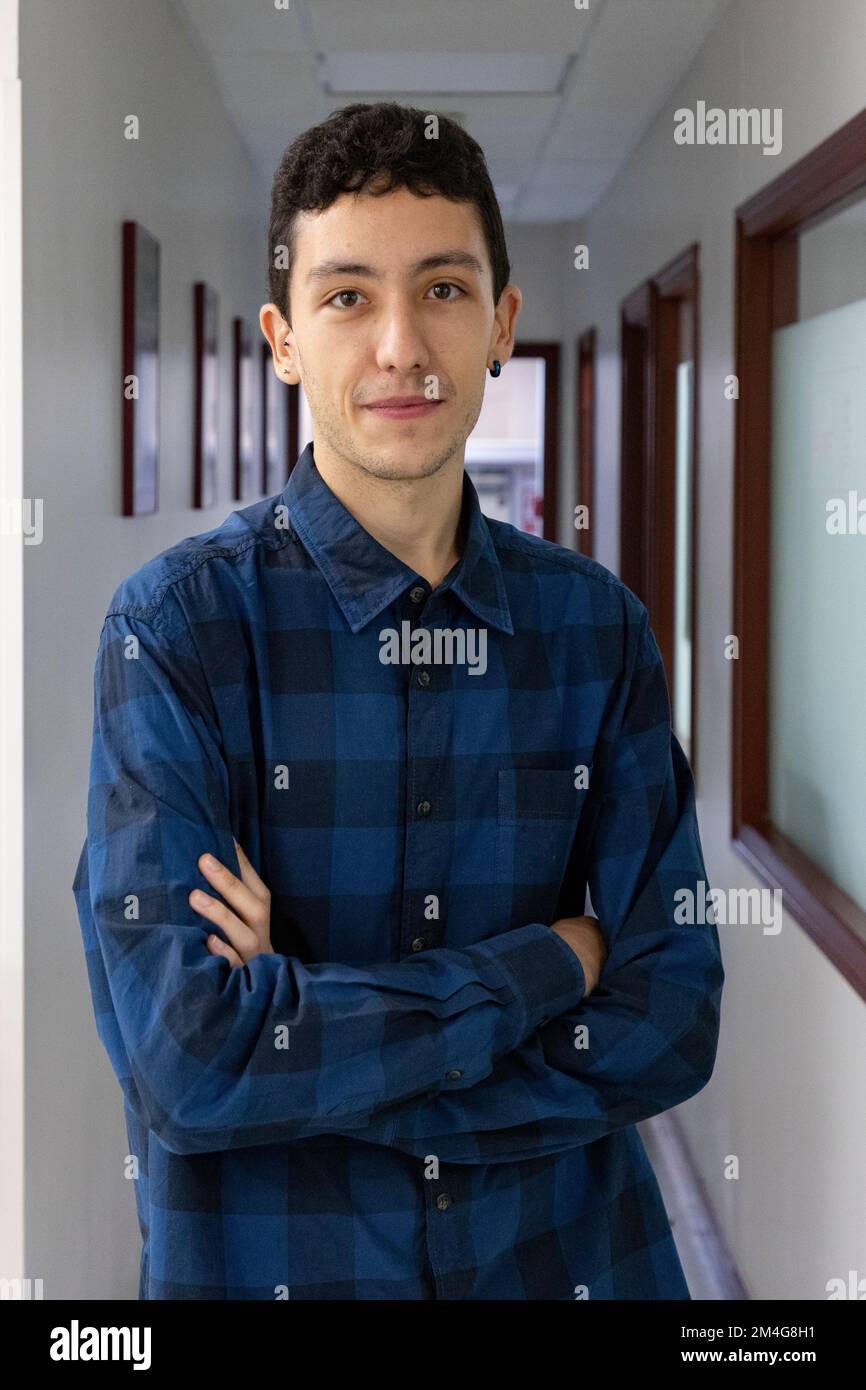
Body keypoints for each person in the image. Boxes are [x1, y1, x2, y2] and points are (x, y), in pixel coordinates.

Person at [73, 101, 724, 1300]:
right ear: (280, 338)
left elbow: (669, 1013)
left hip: (566, 1267)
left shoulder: (594, 630)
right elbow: (191, 1058)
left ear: (499, 325)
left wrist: (307, 1040)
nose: (397, 346)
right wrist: (553, 960)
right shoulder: (175, 635)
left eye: (440, 288)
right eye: (345, 296)